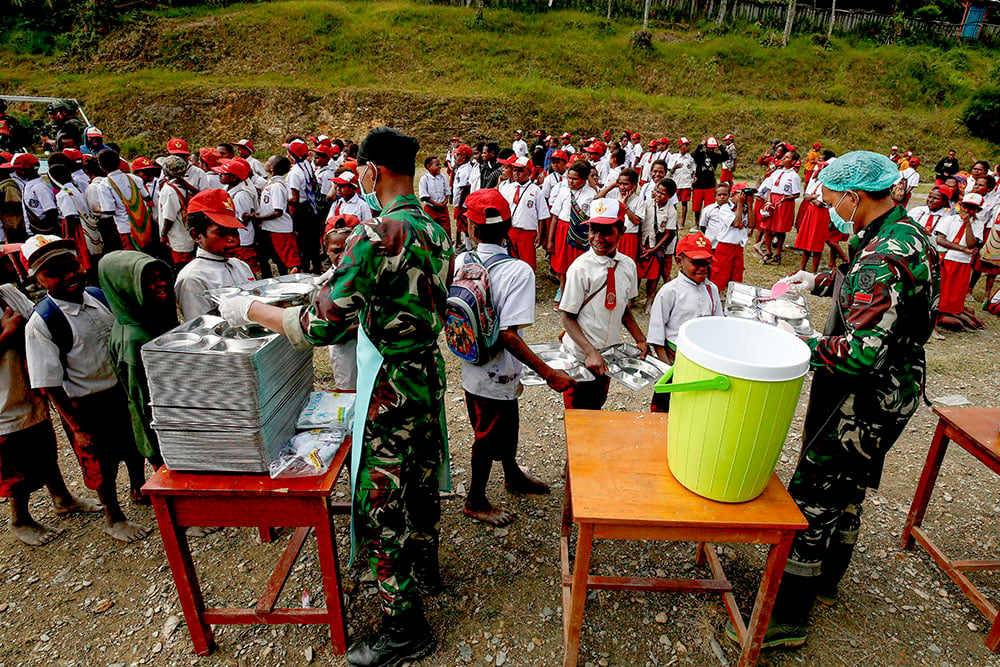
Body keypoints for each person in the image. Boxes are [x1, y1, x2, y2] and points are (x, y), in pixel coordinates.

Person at [219, 127, 451, 666]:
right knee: (420, 473)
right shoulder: (436, 229)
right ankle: (426, 567)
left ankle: (406, 626)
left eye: (361, 170)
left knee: (379, 500)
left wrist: (251, 310)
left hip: (387, 384)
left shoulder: (374, 234)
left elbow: (321, 327)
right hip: (425, 373)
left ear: (372, 171)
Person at [738, 151, 939, 650]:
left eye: (830, 199)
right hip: (897, 387)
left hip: (862, 399)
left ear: (854, 196)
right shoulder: (908, 235)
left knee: (814, 490)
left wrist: (790, 343)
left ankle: (786, 616)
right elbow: (879, 293)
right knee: (849, 487)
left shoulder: (880, 257)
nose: (828, 207)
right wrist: (823, 280)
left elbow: (856, 356)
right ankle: (827, 581)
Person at [456, 189, 575, 526]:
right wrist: (549, 372)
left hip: (472, 362)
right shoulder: (518, 271)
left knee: (505, 423)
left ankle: (512, 475)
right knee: (486, 435)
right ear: (508, 226)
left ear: (471, 228)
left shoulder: (462, 262)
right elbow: (509, 334)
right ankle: (475, 499)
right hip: (499, 370)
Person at [23, 235, 152, 543]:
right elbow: (50, 384)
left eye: (72, 266)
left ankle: (138, 487)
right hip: (86, 402)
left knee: (134, 445)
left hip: (120, 389)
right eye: (55, 272)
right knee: (100, 461)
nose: (69, 275)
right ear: (38, 280)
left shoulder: (99, 296)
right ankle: (113, 516)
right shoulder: (43, 322)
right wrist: (76, 426)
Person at [1, 280, 101, 545]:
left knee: (44, 445)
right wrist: (5, 335)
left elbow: (33, 322)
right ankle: (19, 518)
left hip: (26, 389)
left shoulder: (6, 292)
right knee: (16, 464)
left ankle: (62, 497)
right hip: (3, 404)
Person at [558, 198, 647, 411]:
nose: (598, 238)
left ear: (621, 231)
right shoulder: (580, 269)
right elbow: (567, 317)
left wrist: (640, 339)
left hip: (607, 356)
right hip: (580, 358)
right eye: (593, 231)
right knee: (578, 414)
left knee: (596, 405)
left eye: (606, 232)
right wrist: (589, 352)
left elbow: (623, 309)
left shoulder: (627, 266)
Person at [97, 250, 177, 470]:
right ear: (124, 287)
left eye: (163, 277)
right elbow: (143, 403)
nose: (161, 284)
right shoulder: (133, 338)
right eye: (149, 281)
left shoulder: (150, 315)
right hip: (164, 433)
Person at [646, 232, 722, 412]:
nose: (703, 268)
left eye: (707, 262)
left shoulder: (712, 289)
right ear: (679, 262)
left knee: (695, 405)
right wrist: (668, 369)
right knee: (668, 406)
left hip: (703, 359)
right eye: (696, 262)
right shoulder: (669, 292)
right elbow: (657, 337)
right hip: (675, 360)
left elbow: (718, 325)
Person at [174, 189, 255, 321]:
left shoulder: (240, 265)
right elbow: (204, 327)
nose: (232, 239)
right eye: (222, 233)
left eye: (234, 232)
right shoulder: (193, 278)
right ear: (196, 235)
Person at [318, 214, 361, 392]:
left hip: (373, 350)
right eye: (337, 250)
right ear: (326, 249)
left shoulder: (371, 276)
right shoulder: (323, 285)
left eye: (349, 248)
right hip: (344, 352)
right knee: (349, 391)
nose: (343, 256)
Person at [933, 193, 984, 331]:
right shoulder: (949, 219)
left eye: (972, 208)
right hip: (946, 259)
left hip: (962, 262)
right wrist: (962, 248)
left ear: (977, 210)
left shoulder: (978, 224)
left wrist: (968, 224)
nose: (968, 210)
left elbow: (971, 243)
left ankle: (956, 312)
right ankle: (944, 314)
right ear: (960, 205)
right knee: (941, 291)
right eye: (966, 206)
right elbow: (940, 240)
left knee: (955, 294)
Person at [548, 161, 596, 301]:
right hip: (563, 231)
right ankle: (563, 293)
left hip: (580, 232)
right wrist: (550, 240)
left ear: (585, 179)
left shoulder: (591, 194)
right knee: (561, 265)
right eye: (569, 178)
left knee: (578, 265)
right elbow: (555, 217)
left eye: (575, 179)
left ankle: (577, 297)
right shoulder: (563, 191)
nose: (570, 181)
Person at [97, 149, 155, 252]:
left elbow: (109, 211)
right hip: (144, 225)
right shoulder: (134, 178)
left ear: (101, 167)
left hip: (126, 228)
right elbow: (147, 197)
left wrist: (98, 210)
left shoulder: (105, 185)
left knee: (133, 256)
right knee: (149, 252)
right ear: (119, 163)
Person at [499, 156, 549, 269]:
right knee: (511, 261)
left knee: (527, 262)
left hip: (527, 232)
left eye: (521, 170)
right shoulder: (507, 188)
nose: (517, 173)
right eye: (515, 170)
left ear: (529, 172)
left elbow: (542, 215)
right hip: (510, 230)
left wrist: (540, 234)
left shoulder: (536, 191)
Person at [256, 156, 301, 277]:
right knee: (275, 258)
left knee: (289, 261)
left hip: (280, 229)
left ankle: (293, 282)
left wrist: (258, 218)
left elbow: (278, 211)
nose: (266, 162)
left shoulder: (277, 186)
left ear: (272, 168)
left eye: (268, 161)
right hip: (271, 228)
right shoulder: (273, 182)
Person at [639, 177, 679, 312]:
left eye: (662, 194)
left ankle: (650, 298)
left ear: (670, 196)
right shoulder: (646, 204)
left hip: (657, 246)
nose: (658, 195)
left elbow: (669, 233)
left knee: (653, 275)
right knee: (638, 272)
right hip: (644, 242)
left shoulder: (671, 211)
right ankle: (632, 298)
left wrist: (654, 249)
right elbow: (639, 224)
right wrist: (640, 244)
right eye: (657, 191)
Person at [216, 158, 260, 276]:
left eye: (223, 174)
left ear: (233, 177)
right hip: (235, 236)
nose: (219, 175)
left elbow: (243, 221)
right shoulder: (229, 189)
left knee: (247, 269)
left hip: (243, 238)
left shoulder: (241, 195)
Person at [756, 149, 801, 265]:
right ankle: (769, 252)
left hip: (784, 203)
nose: (783, 159)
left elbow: (796, 194)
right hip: (772, 201)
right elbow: (770, 188)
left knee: (780, 230)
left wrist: (785, 199)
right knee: (766, 227)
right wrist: (769, 201)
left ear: (793, 161)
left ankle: (778, 254)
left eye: (787, 157)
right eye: (784, 157)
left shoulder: (794, 176)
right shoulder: (776, 172)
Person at [702, 183, 749, 292]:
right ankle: (713, 297)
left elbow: (751, 224)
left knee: (736, 275)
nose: (744, 197)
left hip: (738, 246)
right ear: (733, 195)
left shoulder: (744, 209)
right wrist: (741, 205)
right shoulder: (724, 209)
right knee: (719, 275)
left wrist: (750, 205)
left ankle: (730, 297)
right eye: (741, 194)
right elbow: (736, 223)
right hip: (724, 245)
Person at [286, 139, 323, 274]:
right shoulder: (306, 165)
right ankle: (317, 267)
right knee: (312, 242)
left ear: (292, 155)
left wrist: (284, 200)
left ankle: (305, 271)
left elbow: (294, 198)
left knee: (303, 244)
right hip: (311, 207)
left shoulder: (295, 172)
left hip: (302, 211)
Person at [14, 153, 60, 236]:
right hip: (33, 231)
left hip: (43, 233)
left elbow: (51, 212)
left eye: (17, 169)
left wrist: (44, 231)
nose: (16, 172)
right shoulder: (29, 185)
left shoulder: (40, 187)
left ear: (23, 170)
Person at [691, 137, 724, 227]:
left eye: (712, 148)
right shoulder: (700, 155)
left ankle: (706, 223)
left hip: (710, 185)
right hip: (699, 185)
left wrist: (720, 146)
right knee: (696, 207)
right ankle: (697, 224)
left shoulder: (716, 156)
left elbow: (726, 156)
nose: (711, 150)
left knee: (709, 207)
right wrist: (701, 145)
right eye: (709, 148)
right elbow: (693, 155)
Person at [418, 156, 451, 236]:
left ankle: (447, 246)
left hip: (442, 209)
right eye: (437, 165)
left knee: (446, 230)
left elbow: (447, 192)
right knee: (432, 231)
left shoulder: (443, 177)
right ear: (429, 167)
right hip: (431, 209)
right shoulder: (424, 179)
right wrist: (436, 204)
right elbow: (424, 196)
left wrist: (445, 202)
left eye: (440, 164)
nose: (439, 167)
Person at [668, 137, 695, 228]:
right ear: (680, 146)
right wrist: (674, 167)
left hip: (686, 183)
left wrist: (694, 177)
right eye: (686, 145)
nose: (688, 147)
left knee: (684, 203)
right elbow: (670, 172)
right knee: (674, 203)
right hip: (676, 183)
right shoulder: (674, 157)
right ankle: (674, 221)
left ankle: (682, 223)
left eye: (688, 145)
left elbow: (693, 170)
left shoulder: (690, 158)